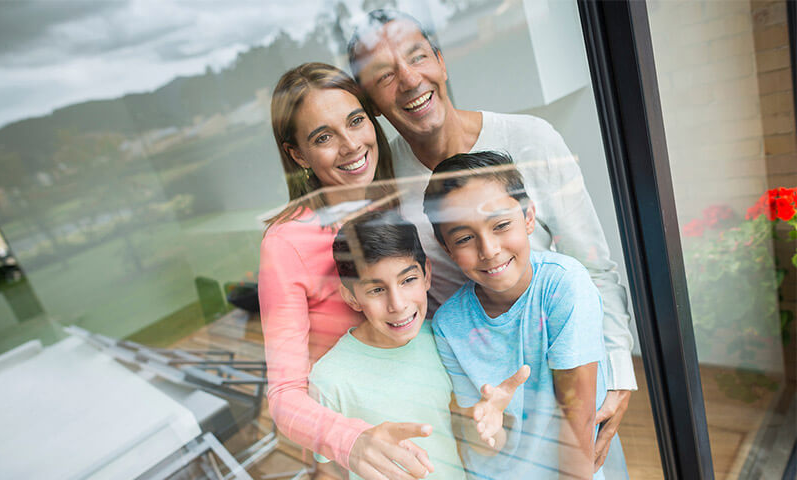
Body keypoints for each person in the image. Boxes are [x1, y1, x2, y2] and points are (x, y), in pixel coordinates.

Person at [347, 10, 636, 469]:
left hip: (563, 369)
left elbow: (594, 261)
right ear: (372, 104)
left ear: (441, 61)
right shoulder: (385, 186)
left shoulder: (529, 139)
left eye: (418, 57)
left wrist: (617, 375)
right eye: (385, 75)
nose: (408, 80)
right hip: (474, 392)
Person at [259, 62, 434, 480]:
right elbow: (285, 395)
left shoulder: (401, 200)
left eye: (356, 121)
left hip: (437, 419)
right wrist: (351, 442)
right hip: (365, 458)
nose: (351, 144)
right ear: (297, 154)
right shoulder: (286, 244)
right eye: (323, 137)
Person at [423, 151, 625, 479]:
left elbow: (579, 421)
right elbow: (486, 445)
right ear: (445, 247)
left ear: (528, 216)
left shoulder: (563, 284)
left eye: (501, 225)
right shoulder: (449, 324)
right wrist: (485, 422)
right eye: (464, 238)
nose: (488, 249)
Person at [306, 210, 465, 479]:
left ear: (426, 274)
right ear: (352, 296)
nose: (398, 304)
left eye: (408, 280)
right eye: (377, 289)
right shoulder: (330, 379)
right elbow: (327, 471)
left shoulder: (442, 338)